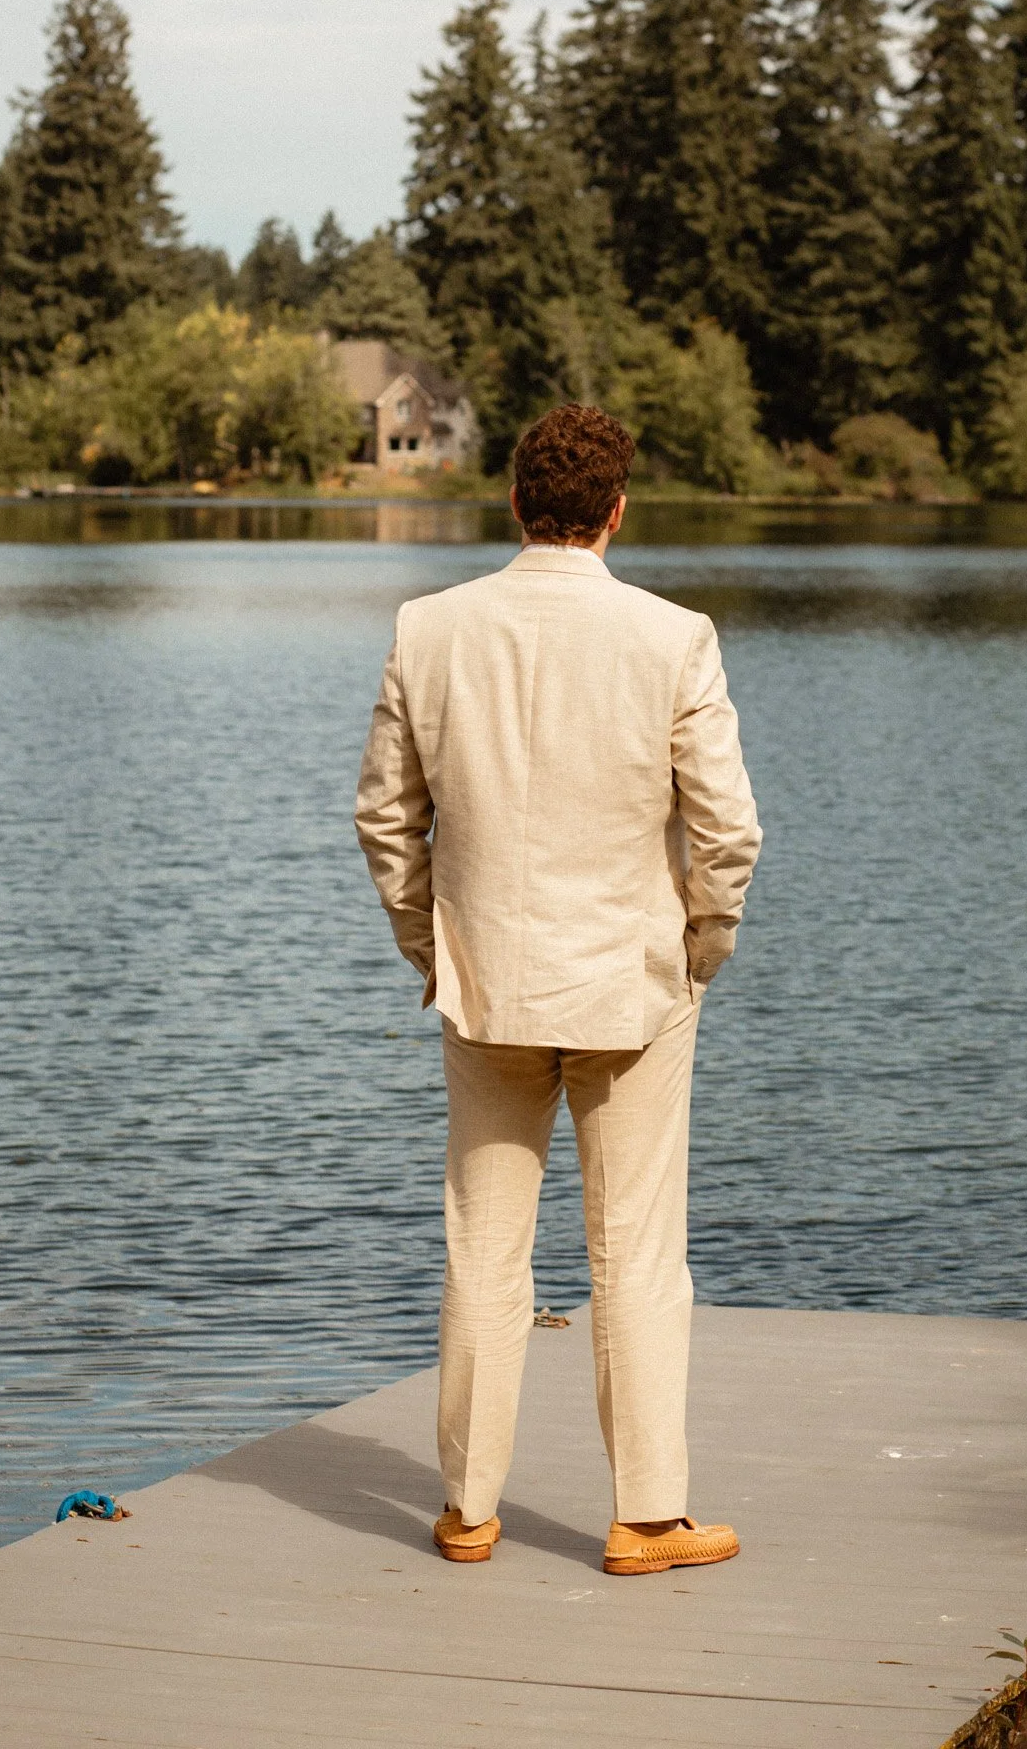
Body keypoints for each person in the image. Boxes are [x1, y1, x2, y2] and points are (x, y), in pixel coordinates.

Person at [354, 402, 762, 1577]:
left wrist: (430, 945)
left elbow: (385, 818)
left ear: (515, 503)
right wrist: (702, 946)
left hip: (484, 987)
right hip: (634, 986)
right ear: (616, 510)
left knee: (484, 1248)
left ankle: (468, 1512)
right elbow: (728, 832)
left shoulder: (428, 628)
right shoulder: (671, 636)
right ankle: (644, 1519)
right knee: (633, 1251)